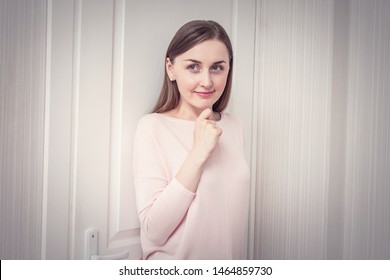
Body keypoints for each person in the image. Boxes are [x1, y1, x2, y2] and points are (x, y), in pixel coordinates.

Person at [133, 20, 250, 260]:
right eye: (193, 67)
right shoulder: (153, 127)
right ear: (171, 68)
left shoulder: (235, 126)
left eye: (217, 68)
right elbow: (153, 231)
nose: (207, 81)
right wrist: (198, 153)